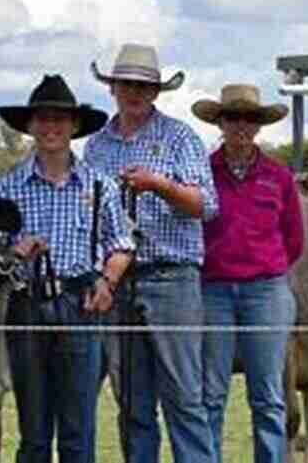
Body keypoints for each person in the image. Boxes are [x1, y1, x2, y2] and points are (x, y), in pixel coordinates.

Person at [84, 43, 218, 463]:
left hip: (172, 277)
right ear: (113, 89)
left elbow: (206, 205)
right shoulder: (96, 147)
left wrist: (159, 185)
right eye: (126, 84)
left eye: (144, 86)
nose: (134, 92)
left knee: (183, 397)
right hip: (117, 281)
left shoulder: (180, 137)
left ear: (156, 91)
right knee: (132, 401)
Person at [0, 74, 134, 463]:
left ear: (73, 127)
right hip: (27, 306)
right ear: (30, 126)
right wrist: (16, 253)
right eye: (43, 119)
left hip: (81, 305)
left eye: (60, 119)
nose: (51, 127)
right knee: (34, 434)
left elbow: (121, 246)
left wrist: (107, 281)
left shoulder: (100, 185)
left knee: (78, 433)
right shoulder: (4, 190)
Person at [191, 84, 303, 463]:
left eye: (249, 118)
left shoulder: (279, 176)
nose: (241, 125)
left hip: (266, 292)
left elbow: (294, 239)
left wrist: (264, 268)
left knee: (269, 395)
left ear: (259, 125)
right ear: (220, 122)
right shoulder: (202, 172)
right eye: (232, 117)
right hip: (213, 291)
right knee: (210, 393)